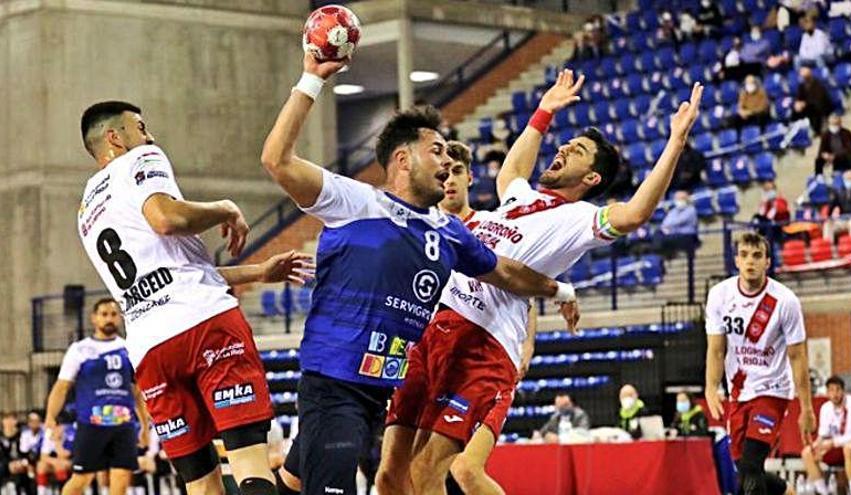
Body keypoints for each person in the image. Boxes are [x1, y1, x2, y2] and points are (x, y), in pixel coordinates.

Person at [261, 53, 578, 495]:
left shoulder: (448, 231)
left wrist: (559, 288)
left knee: (293, 481)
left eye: (450, 154)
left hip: (379, 388)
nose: (447, 162)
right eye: (437, 151)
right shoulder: (356, 202)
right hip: (336, 383)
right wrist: (312, 79)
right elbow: (277, 159)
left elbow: (504, 272)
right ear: (402, 160)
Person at [377, 74, 703, 495]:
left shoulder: (578, 219)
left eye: (579, 151)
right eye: (569, 144)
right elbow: (512, 169)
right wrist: (544, 111)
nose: (565, 148)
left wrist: (674, 142)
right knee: (392, 477)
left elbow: (636, 213)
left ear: (591, 179)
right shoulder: (518, 199)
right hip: (438, 332)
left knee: (433, 472)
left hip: (485, 345)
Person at [75, 101, 315, 495]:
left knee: (201, 486)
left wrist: (258, 272)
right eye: (141, 127)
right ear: (115, 138)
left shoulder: (86, 211)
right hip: (205, 326)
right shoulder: (141, 159)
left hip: (150, 350)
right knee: (251, 465)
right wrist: (226, 208)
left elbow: (174, 275)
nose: (149, 136)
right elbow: (168, 219)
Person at [705, 231, 814, 495]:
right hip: (739, 393)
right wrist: (710, 387)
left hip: (773, 391)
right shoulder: (720, 295)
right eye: (744, 255)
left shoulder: (785, 301)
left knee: (752, 467)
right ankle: (789, 492)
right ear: (736, 261)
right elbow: (716, 349)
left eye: (756, 255)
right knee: (744, 470)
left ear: (767, 261)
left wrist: (806, 408)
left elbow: (798, 356)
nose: (750, 261)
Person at [42, 298, 148, 495]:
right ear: (94, 318)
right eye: (104, 314)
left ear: (120, 318)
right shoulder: (80, 349)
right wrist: (50, 416)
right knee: (81, 479)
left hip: (123, 425)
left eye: (114, 314)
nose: (109, 319)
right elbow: (62, 386)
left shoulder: (129, 348)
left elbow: (137, 391)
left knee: (122, 476)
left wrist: (144, 426)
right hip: (91, 424)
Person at [801, 376, 851, 495]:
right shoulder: (825, 408)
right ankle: (823, 491)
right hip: (840, 448)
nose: (835, 394)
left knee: (849, 448)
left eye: (838, 390)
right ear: (827, 393)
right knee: (807, 453)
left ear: (843, 390)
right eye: (831, 390)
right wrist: (815, 445)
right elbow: (823, 435)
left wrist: (833, 443)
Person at [654, 190, 699, 256]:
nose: (678, 201)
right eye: (676, 199)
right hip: (674, 234)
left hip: (687, 236)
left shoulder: (691, 210)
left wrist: (668, 226)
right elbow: (665, 223)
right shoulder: (673, 211)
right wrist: (666, 228)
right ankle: (658, 254)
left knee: (664, 239)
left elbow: (679, 221)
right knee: (658, 232)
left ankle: (660, 254)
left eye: (680, 199)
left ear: (686, 199)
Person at [793, 66, 834, 135]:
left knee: (815, 109)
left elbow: (819, 100)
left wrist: (805, 103)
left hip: (820, 107)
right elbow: (799, 97)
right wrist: (797, 103)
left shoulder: (818, 84)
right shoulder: (802, 86)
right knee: (795, 110)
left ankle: (819, 127)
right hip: (808, 107)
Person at [1, 412, 30, 495]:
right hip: (6, 466)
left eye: (12, 419)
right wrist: (8, 465)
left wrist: (23, 463)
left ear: (16, 421)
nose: (9, 422)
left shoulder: (23, 435)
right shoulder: (1, 436)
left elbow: (28, 452)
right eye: (6, 419)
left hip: (22, 464)